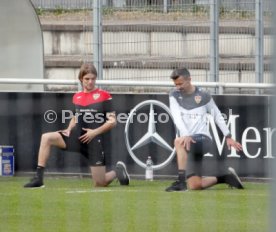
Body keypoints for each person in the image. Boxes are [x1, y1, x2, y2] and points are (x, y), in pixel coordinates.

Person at [24, 63, 130, 188]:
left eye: (93, 79)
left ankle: (117, 172)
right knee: (46, 137)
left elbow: (113, 122)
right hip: (76, 138)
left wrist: (94, 132)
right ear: (81, 79)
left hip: (94, 142)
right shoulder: (77, 96)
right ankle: (38, 179)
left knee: (100, 183)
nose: (90, 82)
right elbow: (76, 117)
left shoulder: (104, 95)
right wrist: (69, 129)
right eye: (87, 79)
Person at [165, 68, 244, 192]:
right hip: (187, 143)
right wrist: (186, 135)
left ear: (189, 80)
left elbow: (217, 115)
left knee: (178, 141)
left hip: (203, 139)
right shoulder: (174, 95)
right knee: (195, 185)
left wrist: (228, 136)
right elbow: (176, 117)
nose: (178, 87)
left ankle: (180, 183)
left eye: (180, 83)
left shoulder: (203, 95)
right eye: (175, 84)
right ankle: (226, 178)